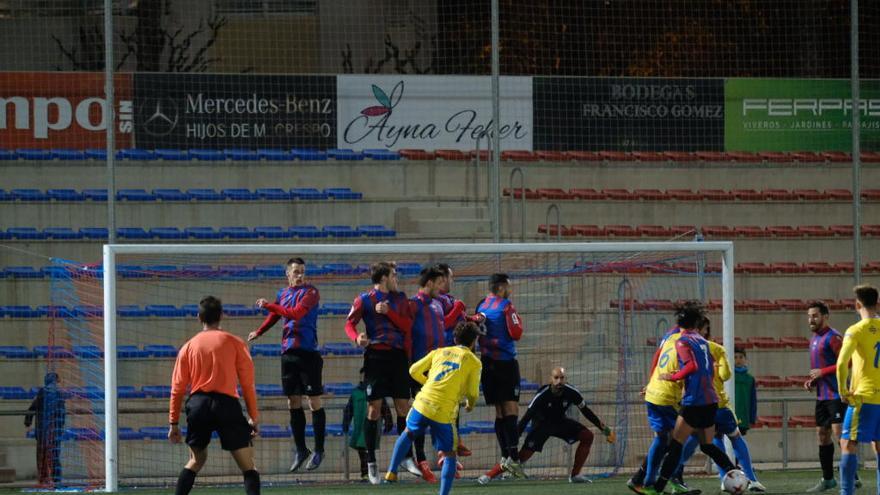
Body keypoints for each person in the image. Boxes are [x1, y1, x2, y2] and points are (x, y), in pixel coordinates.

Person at [640, 301, 738, 495]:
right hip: (711, 401)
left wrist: (674, 376)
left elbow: (691, 365)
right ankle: (735, 472)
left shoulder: (682, 341)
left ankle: (658, 487)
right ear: (696, 323)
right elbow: (707, 368)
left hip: (694, 402)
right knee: (707, 445)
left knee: (675, 444)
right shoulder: (702, 341)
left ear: (679, 323)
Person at [168, 296, 260, 495]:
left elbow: (177, 388)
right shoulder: (235, 342)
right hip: (227, 404)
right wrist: (254, 416)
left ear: (199, 317)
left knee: (196, 460)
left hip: (198, 404)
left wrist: (173, 423)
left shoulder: (188, 347)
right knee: (248, 466)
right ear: (221, 316)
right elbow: (247, 384)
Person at [383, 321, 483, 495]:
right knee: (450, 454)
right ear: (474, 341)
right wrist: (469, 405)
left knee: (408, 433)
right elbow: (473, 393)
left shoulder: (439, 352)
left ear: (454, 338)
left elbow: (413, 370)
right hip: (443, 411)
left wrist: (428, 382)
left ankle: (391, 472)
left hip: (421, 404)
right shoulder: (474, 362)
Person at [248, 257, 325, 472]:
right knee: (293, 402)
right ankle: (301, 450)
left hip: (308, 354)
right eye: (296, 272)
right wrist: (259, 331)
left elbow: (296, 313)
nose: (299, 275)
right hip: (288, 354)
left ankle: (319, 449)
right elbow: (276, 315)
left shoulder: (311, 293)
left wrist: (268, 305)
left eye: (302, 271)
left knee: (314, 402)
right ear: (287, 274)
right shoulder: (283, 294)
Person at [345, 261, 418, 484]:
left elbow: (406, 326)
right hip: (375, 357)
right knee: (373, 410)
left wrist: (389, 313)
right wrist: (356, 337)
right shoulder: (364, 300)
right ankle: (371, 461)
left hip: (397, 357)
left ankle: (406, 457)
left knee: (403, 407)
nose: (397, 278)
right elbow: (349, 323)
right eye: (394, 275)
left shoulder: (400, 298)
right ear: (384, 278)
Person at [672, 318, 765, 492]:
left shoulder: (682, 344)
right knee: (734, 437)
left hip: (694, 403)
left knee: (695, 440)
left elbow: (680, 373)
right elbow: (726, 375)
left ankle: (677, 476)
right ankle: (751, 479)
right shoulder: (714, 348)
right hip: (717, 403)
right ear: (705, 329)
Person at [479, 367, 615, 484]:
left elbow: (586, 411)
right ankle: (489, 475)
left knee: (587, 436)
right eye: (556, 378)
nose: (559, 381)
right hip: (541, 425)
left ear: (565, 379)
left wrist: (604, 429)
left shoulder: (572, 392)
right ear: (551, 379)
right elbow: (526, 418)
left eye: (562, 378)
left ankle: (575, 475)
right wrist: (514, 442)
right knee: (518, 459)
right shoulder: (542, 395)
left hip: (561, 422)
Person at [475, 273, 526, 479]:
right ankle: (514, 458)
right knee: (511, 408)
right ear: (502, 287)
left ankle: (506, 456)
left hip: (487, 362)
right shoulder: (506, 306)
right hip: (505, 363)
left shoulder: (481, 305)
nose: (511, 290)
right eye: (509, 286)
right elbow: (517, 333)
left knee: (499, 411)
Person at [628, 322, 685, 494]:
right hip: (667, 394)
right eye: (704, 329)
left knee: (664, 440)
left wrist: (651, 382)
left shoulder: (670, 336)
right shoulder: (685, 338)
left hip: (657, 391)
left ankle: (643, 480)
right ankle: (664, 481)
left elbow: (658, 359)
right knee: (679, 440)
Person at [405, 266, 451, 481]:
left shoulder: (438, 304)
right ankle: (421, 460)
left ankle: (445, 455)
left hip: (439, 369)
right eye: (439, 283)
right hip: (421, 368)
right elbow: (406, 334)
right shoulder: (413, 305)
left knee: (443, 411)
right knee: (421, 415)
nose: (442, 287)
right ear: (430, 283)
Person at [835, 284, 880, 495]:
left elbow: (842, 363)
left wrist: (842, 390)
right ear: (877, 303)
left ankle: (846, 493)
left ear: (857, 304)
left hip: (865, 396)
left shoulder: (855, 330)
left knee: (848, 443)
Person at [802, 300, 848, 492]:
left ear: (825, 316)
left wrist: (823, 372)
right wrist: (812, 380)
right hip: (822, 396)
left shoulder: (833, 337)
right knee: (822, 435)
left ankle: (852, 476)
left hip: (837, 394)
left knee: (839, 435)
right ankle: (828, 479)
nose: (811, 319)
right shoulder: (814, 338)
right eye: (809, 316)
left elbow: (848, 363)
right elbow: (819, 369)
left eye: (815, 315)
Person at [342, 368, 393, 481]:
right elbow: (348, 409)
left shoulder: (377, 391)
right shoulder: (355, 393)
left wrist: (388, 421)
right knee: (361, 450)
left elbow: (384, 408)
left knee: (369, 448)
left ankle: (371, 471)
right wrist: (345, 422)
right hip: (359, 427)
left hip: (372, 426)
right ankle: (365, 473)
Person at [24, 372, 65, 487]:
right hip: (52, 430)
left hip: (43, 430)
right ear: (55, 380)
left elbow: (31, 409)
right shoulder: (58, 394)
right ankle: (55, 480)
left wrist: (27, 422)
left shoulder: (43, 393)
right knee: (54, 455)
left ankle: (44, 480)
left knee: (43, 454)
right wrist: (60, 428)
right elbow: (62, 414)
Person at [733, 348, 757, 436]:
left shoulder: (750, 379)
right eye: (735, 357)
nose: (738, 360)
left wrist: (752, 418)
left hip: (743, 416)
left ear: (745, 359)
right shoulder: (728, 376)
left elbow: (753, 400)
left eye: (740, 357)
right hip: (730, 415)